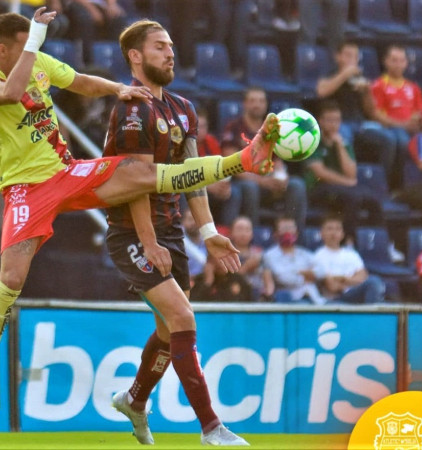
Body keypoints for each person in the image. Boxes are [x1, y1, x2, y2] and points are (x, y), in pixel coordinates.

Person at [0, 10, 279, 419]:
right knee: (11, 279)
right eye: (25, 47)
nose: (35, 53)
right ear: (2, 49)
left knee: (143, 176)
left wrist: (117, 89)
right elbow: (11, 92)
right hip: (25, 188)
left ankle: (243, 159)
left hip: (66, 172)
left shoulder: (37, 61)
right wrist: (34, 42)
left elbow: (78, 82)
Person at [103, 20, 251, 446]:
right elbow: (135, 181)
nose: (171, 53)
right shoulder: (133, 107)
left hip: (170, 231)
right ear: (136, 56)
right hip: (131, 231)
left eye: (171, 46)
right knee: (183, 317)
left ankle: (134, 400)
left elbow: (191, 177)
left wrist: (206, 232)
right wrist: (148, 241)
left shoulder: (184, 109)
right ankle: (211, 427)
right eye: (159, 47)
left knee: (170, 331)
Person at [221, 86, 307, 229]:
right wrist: (263, 181)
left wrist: (281, 178)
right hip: (244, 181)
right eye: (253, 100)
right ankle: (252, 238)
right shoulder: (234, 127)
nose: (257, 104)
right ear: (245, 104)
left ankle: (291, 236)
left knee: (296, 185)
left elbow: (278, 160)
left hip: (268, 179)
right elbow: (232, 166)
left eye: (261, 101)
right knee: (250, 188)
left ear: (266, 104)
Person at [306, 101, 384, 243]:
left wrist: (340, 146)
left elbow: (351, 173)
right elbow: (320, 173)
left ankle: (380, 242)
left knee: (373, 199)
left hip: (341, 188)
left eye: (337, 120)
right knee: (352, 197)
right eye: (329, 120)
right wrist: (348, 183)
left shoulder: (343, 142)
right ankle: (349, 241)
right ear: (320, 121)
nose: (334, 124)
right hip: (317, 188)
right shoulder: (312, 141)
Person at [316, 41, 395, 174]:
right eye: (348, 55)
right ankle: (348, 179)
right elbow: (321, 91)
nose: (352, 60)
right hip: (339, 123)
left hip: (360, 123)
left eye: (355, 56)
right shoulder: (330, 75)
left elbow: (370, 111)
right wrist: (345, 74)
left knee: (389, 139)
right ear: (338, 57)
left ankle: (381, 181)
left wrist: (367, 91)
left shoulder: (360, 79)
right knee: (345, 137)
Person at [371, 45, 422, 189]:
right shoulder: (379, 85)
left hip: (412, 128)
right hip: (390, 128)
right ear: (385, 62)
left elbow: (421, 111)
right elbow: (377, 115)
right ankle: (393, 185)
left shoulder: (413, 87)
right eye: (394, 60)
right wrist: (403, 124)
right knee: (402, 141)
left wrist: (417, 120)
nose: (398, 64)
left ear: (406, 63)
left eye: (402, 60)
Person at [312, 215, 386, 303]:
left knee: (374, 281)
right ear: (321, 233)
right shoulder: (318, 256)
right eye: (329, 229)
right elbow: (332, 287)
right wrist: (353, 280)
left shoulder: (351, 254)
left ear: (342, 234)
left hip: (355, 293)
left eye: (337, 229)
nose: (334, 233)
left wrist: (343, 279)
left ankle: (373, 315)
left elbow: (363, 276)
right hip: (335, 299)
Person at [262, 216, 323, 304]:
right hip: (290, 299)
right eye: (284, 228)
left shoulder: (304, 253)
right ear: (275, 234)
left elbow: (322, 272)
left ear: (297, 233)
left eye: (291, 228)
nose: (288, 232)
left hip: (314, 298)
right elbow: (284, 278)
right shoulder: (269, 255)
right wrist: (306, 274)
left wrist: (303, 273)